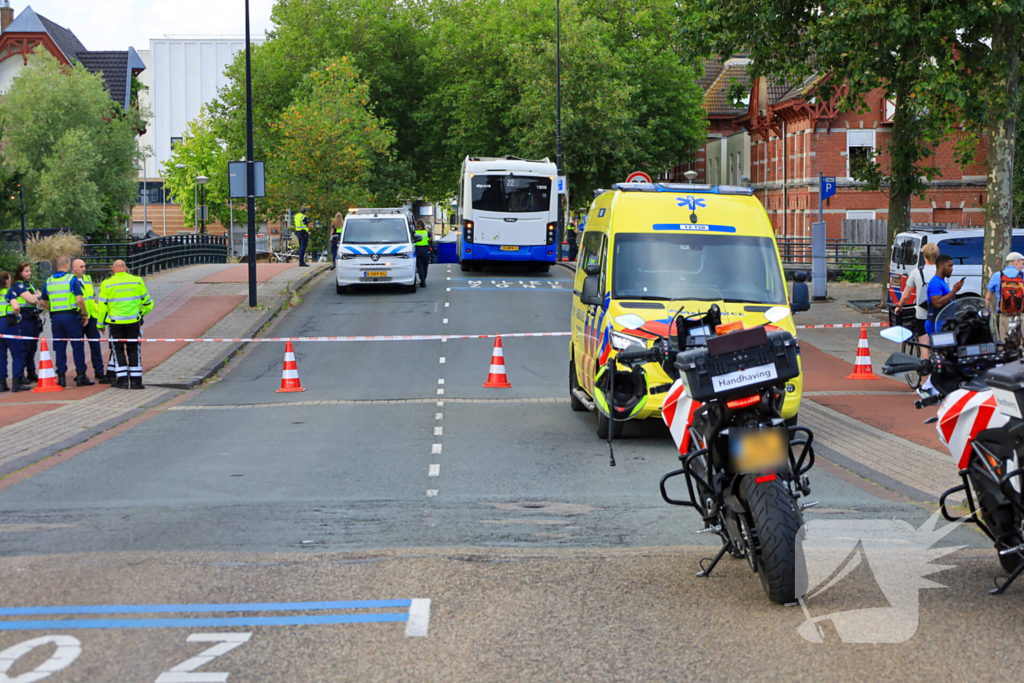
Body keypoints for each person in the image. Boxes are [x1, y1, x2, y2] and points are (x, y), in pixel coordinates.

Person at [96, 260, 153, 389]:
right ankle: (136, 381)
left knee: (118, 350)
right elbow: (149, 303)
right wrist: (140, 314)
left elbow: (102, 307)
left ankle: (122, 380)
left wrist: (100, 324)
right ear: (126, 268)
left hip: (115, 322)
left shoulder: (107, 284)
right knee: (134, 349)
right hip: (133, 321)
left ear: (113, 270)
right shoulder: (137, 281)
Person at [40, 255, 93, 388]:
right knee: (77, 346)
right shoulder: (72, 279)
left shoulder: (49, 281)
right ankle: (81, 376)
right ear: (66, 265)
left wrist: (52, 309)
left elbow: (42, 301)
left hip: (56, 318)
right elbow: (80, 300)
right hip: (71, 317)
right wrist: (85, 314)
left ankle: (61, 378)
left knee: (59, 348)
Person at [895, 242, 938, 383]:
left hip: (922, 315)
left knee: (924, 347)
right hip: (939, 315)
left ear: (924, 256)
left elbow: (906, 295)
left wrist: (899, 306)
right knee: (940, 347)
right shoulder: (941, 270)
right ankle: (940, 382)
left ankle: (924, 384)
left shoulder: (917, 272)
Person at [73, 258, 108, 383]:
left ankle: (99, 371)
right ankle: (81, 372)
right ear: (74, 269)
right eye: (81, 266)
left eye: (84, 266)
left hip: (92, 317)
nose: (84, 269)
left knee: (95, 345)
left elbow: (92, 297)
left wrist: (100, 318)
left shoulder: (87, 279)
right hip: (79, 318)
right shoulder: (71, 281)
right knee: (79, 346)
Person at [8, 263, 40, 384]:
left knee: (33, 347)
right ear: (20, 273)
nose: (29, 273)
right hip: (25, 318)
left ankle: (31, 372)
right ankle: (21, 374)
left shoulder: (30, 284)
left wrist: (35, 297)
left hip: (33, 318)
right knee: (25, 347)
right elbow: (31, 300)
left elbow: (41, 296)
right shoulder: (18, 285)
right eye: (26, 271)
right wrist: (35, 297)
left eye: (30, 271)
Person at [985, 251, 1024, 337]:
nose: (1023, 266)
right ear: (1017, 262)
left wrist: (986, 311)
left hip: (1004, 316)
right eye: (1022, 263)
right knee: (1021, 345)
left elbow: (988, 297)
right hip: (1021, 316)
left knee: (1004, 344)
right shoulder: (1023, 275)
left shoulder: (997, 275)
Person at [0, 271, 26, 393]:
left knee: (1, 355)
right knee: (18, 353)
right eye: (9, 279)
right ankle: (17, 382)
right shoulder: (9, 292)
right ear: (6, 281)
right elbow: (15, 306)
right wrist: (18, 314)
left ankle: (2, 384)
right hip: (8, 324)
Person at [414, 218, 431, 287]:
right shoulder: (427, 232)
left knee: (420, 266)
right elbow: (430, 239)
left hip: (418, 250)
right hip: (426, 250)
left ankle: (422, 281)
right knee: (425, 266)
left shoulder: (414, 232)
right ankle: (424, 280)